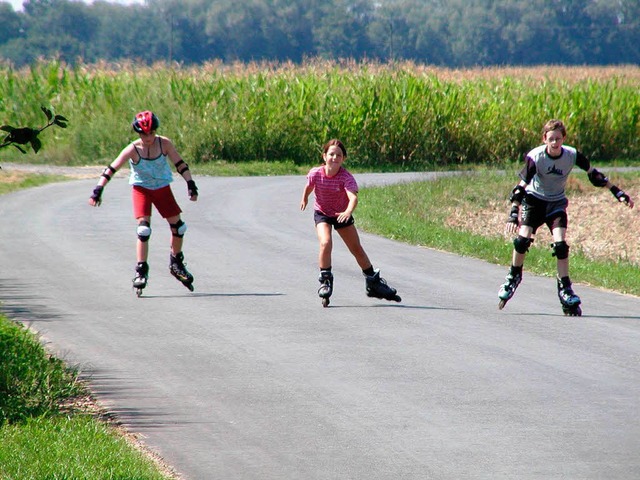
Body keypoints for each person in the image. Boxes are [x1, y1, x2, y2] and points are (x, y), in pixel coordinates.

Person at [498, 119, 634, 315]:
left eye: (558, 139)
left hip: (556, 203)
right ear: (544, 139)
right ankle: (514, 275)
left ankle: (565, 287)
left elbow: (594, 175)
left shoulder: (571, 155)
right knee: (522, 240)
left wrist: (617, 192)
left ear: (564, 139)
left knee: (561, 244)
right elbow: (520, 187)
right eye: (551, 139)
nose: (555, 143)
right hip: (534, 202)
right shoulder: (536, 157)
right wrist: (513, 214)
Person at [88, 111, 199, 295]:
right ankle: (141, 270)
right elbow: (112, 168)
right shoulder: (132, 149)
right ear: (138, 133)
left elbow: (180, 164)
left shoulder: (164, 143)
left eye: (151, 133)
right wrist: (98, 189)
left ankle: (176, 262)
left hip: (162, 188)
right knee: (143, 229)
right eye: (144, 134)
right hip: (142, 189)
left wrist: (191, 183)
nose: (148, 138)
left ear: (155, 131)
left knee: (179, 228)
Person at [300, 138, 401, 307]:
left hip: (341, 214)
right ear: (324, 156)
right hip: (322, 213)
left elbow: (353, 197)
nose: (334, 158)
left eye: (339, 155)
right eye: (331, 154)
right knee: (325, 242)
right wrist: (304, 198)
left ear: (343, 159)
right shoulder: (316, 173)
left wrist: (348, 211)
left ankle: (373, 282)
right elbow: (309, 185)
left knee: (356, 249)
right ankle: (325, 280)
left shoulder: (346, 177)